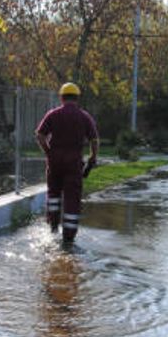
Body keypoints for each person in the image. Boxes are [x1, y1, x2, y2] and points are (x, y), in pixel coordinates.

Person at [35, 82, 99, 244]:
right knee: (72, 198)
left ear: (61, 97)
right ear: (77, 98)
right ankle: (68, 238)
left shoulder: (53, 114)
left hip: (54, 162)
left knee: (54, 195)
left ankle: (53, 227)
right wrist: (93, 157)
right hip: (73, 164)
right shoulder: (84, 116)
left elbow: (40, 135)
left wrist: (48, 151)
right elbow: (94, 139)